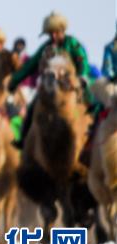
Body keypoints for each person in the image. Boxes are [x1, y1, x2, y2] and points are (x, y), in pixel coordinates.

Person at [8, 11, 94, 149]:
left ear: (62, 31)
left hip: (71, 85)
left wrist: (82, 78)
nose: (53, 36)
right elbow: (29, 66)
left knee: (93, 106)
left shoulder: (73, 43)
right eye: (50, 33)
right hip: (49, 88)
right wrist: (13, 82)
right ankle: (24, 139)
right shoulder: (45, 48)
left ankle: (93, 136)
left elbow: (82, 61)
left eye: (56, 32)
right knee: (32, 108)